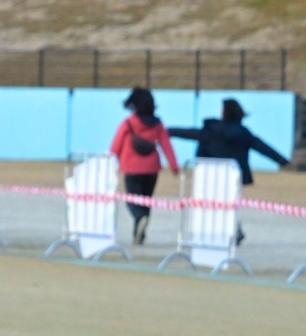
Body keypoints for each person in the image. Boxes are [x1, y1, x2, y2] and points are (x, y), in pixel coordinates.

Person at [170, 99, 289, 247]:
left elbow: (187, 133)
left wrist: (165, 131)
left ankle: (215, 232)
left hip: (210, 175)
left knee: (211, 204)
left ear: (224, 112)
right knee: (231, 203)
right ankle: (235, 228)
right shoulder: (243, 133)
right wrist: (282, 161)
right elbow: (262, 146)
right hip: (235, 176)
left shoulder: (211, 131)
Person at [110, 87, 180, 245]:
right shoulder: (158, 124)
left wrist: (110, 162)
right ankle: (139, 234)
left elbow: (116, 145)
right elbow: (166, 145)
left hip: (131, 167)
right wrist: (174, 166)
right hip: (152, 168)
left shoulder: (128, 123)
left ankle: (139, 218)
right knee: (146, 201)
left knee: (132, 200)